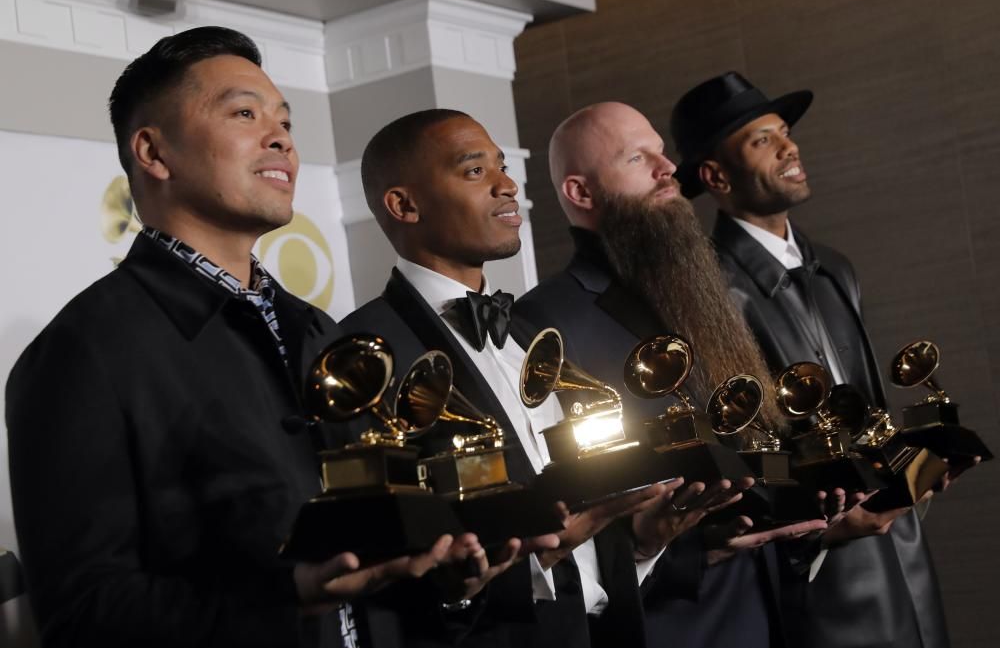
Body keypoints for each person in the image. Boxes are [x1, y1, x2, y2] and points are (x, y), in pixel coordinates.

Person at [5, 27, 508, 648]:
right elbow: (83, 612)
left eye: (286, 123)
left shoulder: (317, 329)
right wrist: (289, 598)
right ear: (152, 153)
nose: (282, 140)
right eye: (244, 113)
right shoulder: (82, 352)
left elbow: (372, 554)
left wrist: (451, 584)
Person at [340, 108, 737, 648]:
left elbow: (592, 543)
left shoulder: (528, 333)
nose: (508, 186)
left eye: (504, 168)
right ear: (404, 205)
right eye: (475, 171)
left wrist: (644, 543)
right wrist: (530, 563)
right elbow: (383, 573)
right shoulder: (365, 353)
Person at [514, 101, 834, 648]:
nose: (668, 170)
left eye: (662, 153)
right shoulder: (544, 323)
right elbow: (563, 519)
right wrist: (682, 547)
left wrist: (815, 506)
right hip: (673, 627)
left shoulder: (703, 289)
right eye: (639, 158)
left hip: (773, 610)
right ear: (581, 193)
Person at [669, 70, 952, 648]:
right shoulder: (707, 291)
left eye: (784, 132)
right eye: (761, 139)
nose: (789, 146)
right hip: (821, 572)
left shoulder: (835, 267)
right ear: (715, 175)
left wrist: (918, 468)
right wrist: (814, 529)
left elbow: (871, 409)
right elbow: (737, 453)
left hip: (904, 551)